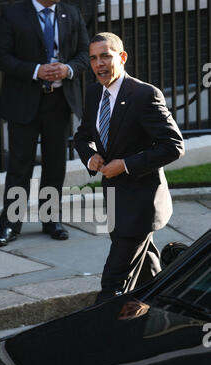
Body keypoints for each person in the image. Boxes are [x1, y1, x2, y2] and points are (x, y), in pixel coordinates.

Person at [74, 32, 185, 303]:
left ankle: (99, 335)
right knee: (147, 271)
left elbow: (173, 146)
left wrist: (125, 165)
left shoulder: (144, 94)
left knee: (113, 281)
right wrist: (90, 157)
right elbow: (81, 136)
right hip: (115, 201)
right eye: (93, 58)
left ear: (122, 57)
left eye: (105, 56)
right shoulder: (92, 93)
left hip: (141, 204)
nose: (99, 64)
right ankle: (165, 311)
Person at [0, 0, 89, 247]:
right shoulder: (13, 14)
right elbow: (1, 58)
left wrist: (67, 69)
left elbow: (85, 53)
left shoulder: (71, 13)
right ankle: (10, 225)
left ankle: (51, 220)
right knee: (20, 167)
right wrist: (36, 70)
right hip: (24, 103)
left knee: (55, 165)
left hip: (59, 102)